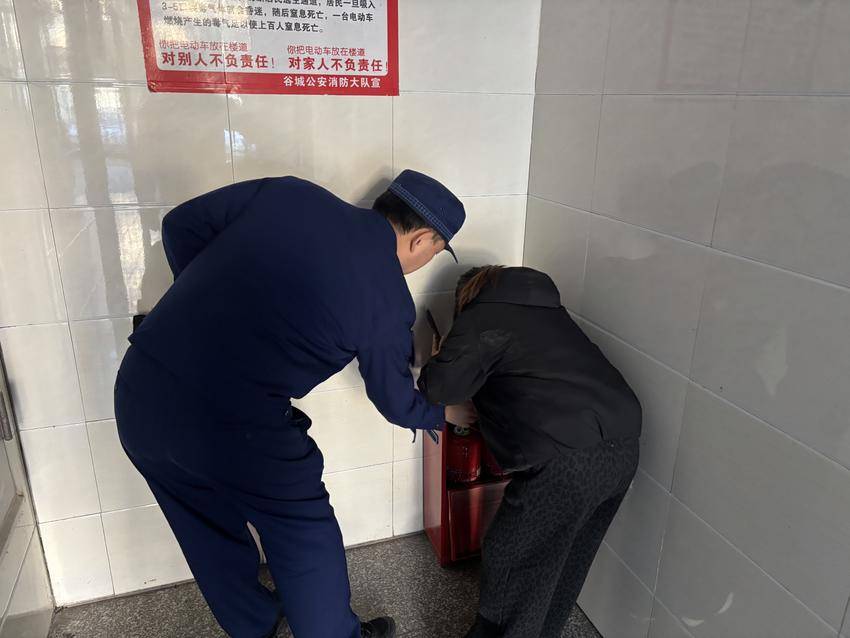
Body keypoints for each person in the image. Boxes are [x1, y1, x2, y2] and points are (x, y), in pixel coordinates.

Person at [113, 171, 477, 638]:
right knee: (303, 531)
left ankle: (256, 624)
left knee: (205, 524)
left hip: (141, 387)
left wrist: (208, 308)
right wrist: (443, 414)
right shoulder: (388, 299)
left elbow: (180, 225)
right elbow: (395, 402)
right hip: (232, 418)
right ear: (422, 239)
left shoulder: (292, 193)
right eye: (435, 251)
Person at [418, 266, 642, 638]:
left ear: (465, 298)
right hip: (624, 444)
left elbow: (439, 389)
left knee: (511, 557)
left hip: (567, 458)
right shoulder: (550, 314)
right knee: (566, 558)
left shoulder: (482, 315)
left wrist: (437, 357)